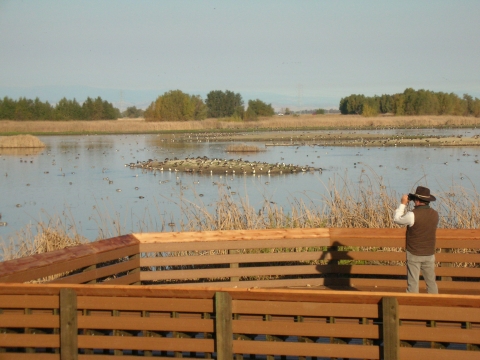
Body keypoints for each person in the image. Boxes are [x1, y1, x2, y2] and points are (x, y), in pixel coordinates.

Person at [393, 186, 439, 294]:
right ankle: (435, 305)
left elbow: (397, 219)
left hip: (414, 253)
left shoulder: (412, 215)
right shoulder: (435, 214)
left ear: (417, 201)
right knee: (431, 282)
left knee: (413, 283)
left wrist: (403, 204)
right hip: (429, 253)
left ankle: (412, 306)